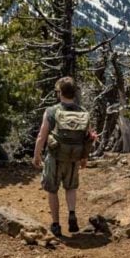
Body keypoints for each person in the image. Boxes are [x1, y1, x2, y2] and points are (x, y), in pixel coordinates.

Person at [33, 77, 96, 237]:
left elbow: (42, 135)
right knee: (71, 188)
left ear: (60, 93)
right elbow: (87, 137)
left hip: (55, 157)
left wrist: (37, 155)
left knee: (52, 190)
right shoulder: (83, 112)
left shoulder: (51, 111)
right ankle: (72, 214)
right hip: (73, 158)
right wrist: (84, 157)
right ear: (74, 93)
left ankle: (55, 225)